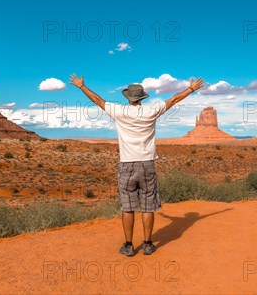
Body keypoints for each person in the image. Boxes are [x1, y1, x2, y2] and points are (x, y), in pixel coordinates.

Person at [69, 73, 204, 256]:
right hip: (147, 164)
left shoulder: (119, 111)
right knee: (148, 206)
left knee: (128, 206)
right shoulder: (151, 111)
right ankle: (148, 244)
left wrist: (81, 86)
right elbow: (174, 99)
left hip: (127, 165)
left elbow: (97, 100)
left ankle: (128, 245)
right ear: (141, 98)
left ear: (128, 97)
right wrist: (191, 89)